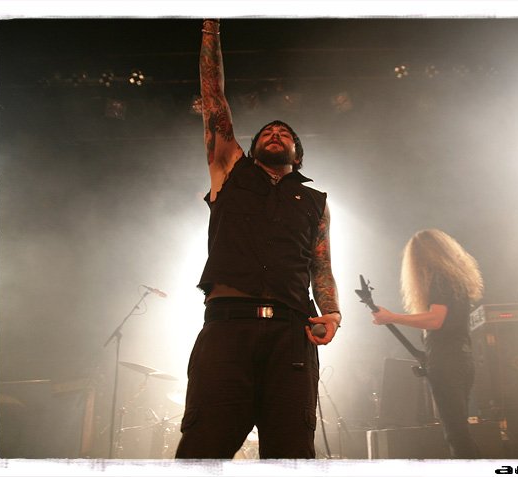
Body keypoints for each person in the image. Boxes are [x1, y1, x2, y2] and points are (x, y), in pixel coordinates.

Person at [175, 19, 341, 459]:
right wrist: (210, 28)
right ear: (250, 148)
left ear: (297, 154)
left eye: (284, 133)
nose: (275, 133)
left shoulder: (315, 201)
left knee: (292, 450)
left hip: (291, 332)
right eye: (267, 131)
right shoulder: (230, 170)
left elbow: (320, 263)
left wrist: (333, 312)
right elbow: (214, 98)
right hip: (229, 327)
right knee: (204, 445)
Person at [371, 229, 483, 459]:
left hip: (447, 362)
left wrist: (392, 317)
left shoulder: (440, 279)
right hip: (461, 359)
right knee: (459, 433)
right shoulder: (455, 279)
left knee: (457, 436)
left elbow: (435, 320)